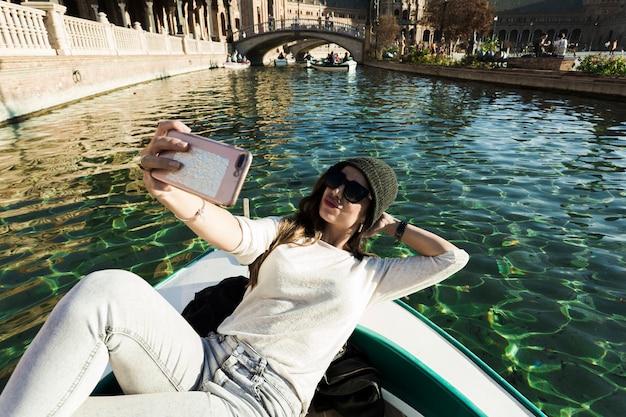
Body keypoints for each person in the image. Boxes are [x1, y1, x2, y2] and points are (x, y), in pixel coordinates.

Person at [0, 120, 469, 417]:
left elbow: (451, 259)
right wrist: (170, 192)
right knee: (107, 288)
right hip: (205, 356)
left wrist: (390, 224)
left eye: (355, 192)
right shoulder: (287, 231)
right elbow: (231, 230)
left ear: (369, 212)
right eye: (336, 178)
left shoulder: (372, 275)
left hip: (259, 400)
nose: (338, 191)